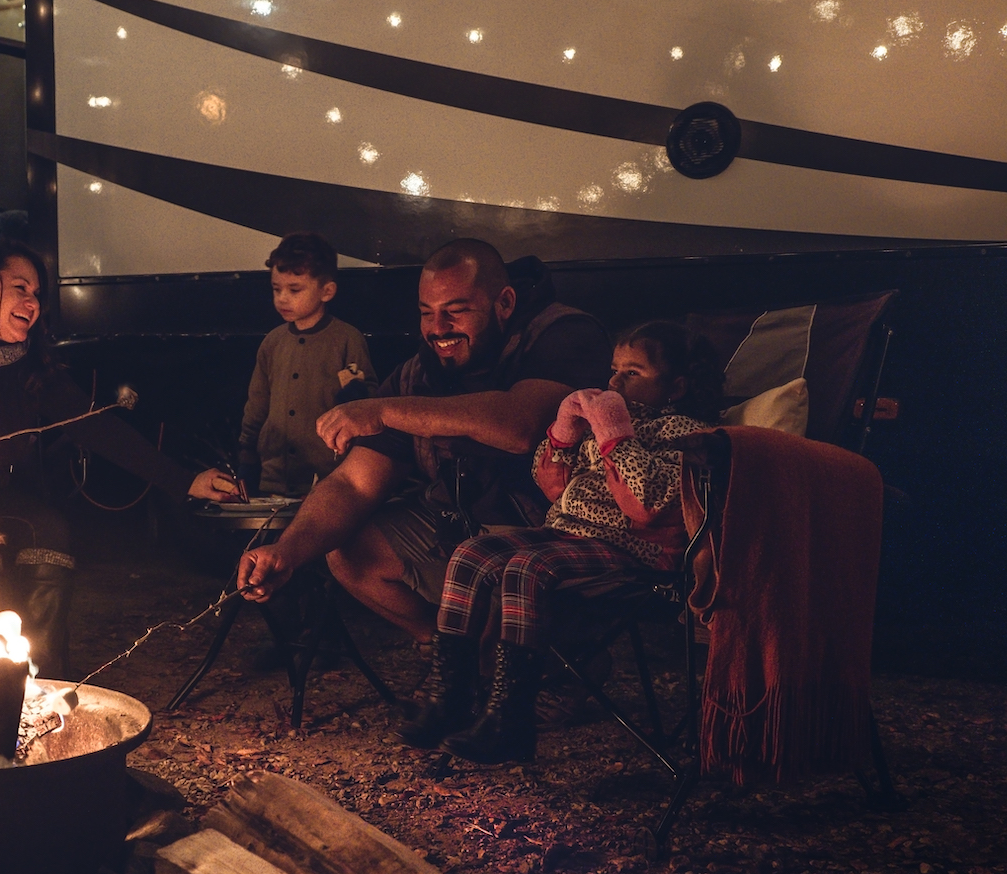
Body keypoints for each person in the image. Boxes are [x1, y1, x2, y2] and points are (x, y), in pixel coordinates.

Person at [0, 239, 238, 676]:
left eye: (36, 294)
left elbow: (97, 428)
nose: (32, 303)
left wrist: (183, 480)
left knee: (48, 531)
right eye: (20, 288)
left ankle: (43, 680)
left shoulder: (30, 368)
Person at [236, 239, 610, 639]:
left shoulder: (563, 333)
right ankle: (446, 651)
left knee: (496, 575)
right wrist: (286, 552)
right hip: (461, 529)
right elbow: (354, 483)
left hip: (559, 535)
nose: (438, 328)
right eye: (427, 313)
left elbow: (521, 426)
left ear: (504, 302)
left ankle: (552, 666)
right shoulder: (421, 373)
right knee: (350, 550)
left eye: (456, 311)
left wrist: (383, 410)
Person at [411, 321, 724, 764]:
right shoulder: (609, 419)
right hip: (567, 533)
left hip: (636, 549)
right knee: (470, 554)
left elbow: (650, 502)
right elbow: (553, 485)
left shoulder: (690, 435)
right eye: (614, 370)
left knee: (526, 567)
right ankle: (451, 700)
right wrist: (563, 432)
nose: (614, 382)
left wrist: (613, 429)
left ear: (676, 386)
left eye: (632, 373)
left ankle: (510, 721)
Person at [237, 232, 376, 497]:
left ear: (327, 291)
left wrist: (356, 397)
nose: (282, 299)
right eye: (276, 289)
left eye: (294, 290)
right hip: (273, 479)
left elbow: (366, 392)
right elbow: (257, 403)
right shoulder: (272, 343)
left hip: (327, 477)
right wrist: (247, 453)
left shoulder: (346, 339)